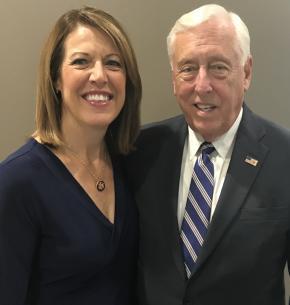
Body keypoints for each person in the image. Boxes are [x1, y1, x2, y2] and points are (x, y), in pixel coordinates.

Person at [126, 4, 290, 305]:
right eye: (188, 68)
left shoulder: (285, 157)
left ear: (247, 73)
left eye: (218, 67)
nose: (202, 86)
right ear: (173, 77)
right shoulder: (140, 151)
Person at [0, 6, 141, 305]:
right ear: (56, 80)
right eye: (81, 62)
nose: (100, 76)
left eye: (113, 63)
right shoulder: (16, 181)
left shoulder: (131, 164)